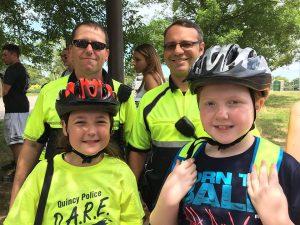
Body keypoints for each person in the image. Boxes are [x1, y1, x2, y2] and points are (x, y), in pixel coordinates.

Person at [150, 44, 300, 225]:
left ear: (257, 105)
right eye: (210, 103)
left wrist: (277, 219)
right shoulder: (188, 155)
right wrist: (166, 201)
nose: (221, 114)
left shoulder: (278, 164)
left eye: (234, 102)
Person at [10, 20, 136, 207]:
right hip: (56, 192)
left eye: (98, 45)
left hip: (108, 195)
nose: (89, 49)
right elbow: (32, 145)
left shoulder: (123, 95)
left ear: (107, 53)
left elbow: (134, 149)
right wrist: (16, 198)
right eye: (81, 43)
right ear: (70, 50)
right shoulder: (49, 91)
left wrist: (132, 191)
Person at [4, 79, 144, 224]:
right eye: (80, 122)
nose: (91, 131)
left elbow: (131, 220)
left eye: (100, 121)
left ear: (111, 127)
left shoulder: (121, 173)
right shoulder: (43, 173)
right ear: (65, 127)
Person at [128, 18, 206, 211]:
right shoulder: (149, 99)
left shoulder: (221, 96)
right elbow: (138, 152)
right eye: (170, 46)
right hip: (160, 206)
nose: (178, 51)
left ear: (201, 48)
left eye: (186, 44)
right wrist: (131, 195)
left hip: (210, 209)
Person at [1, 44, 29, 181]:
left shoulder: (13, 69)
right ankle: (17, 164)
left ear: (14, 54)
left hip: (16, 111)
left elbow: (4, 91)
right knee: (16, 140)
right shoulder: (21, 68)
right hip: (19, 109)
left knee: (16, 142)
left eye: (5, 54)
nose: (3, 58)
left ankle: (20, 172)